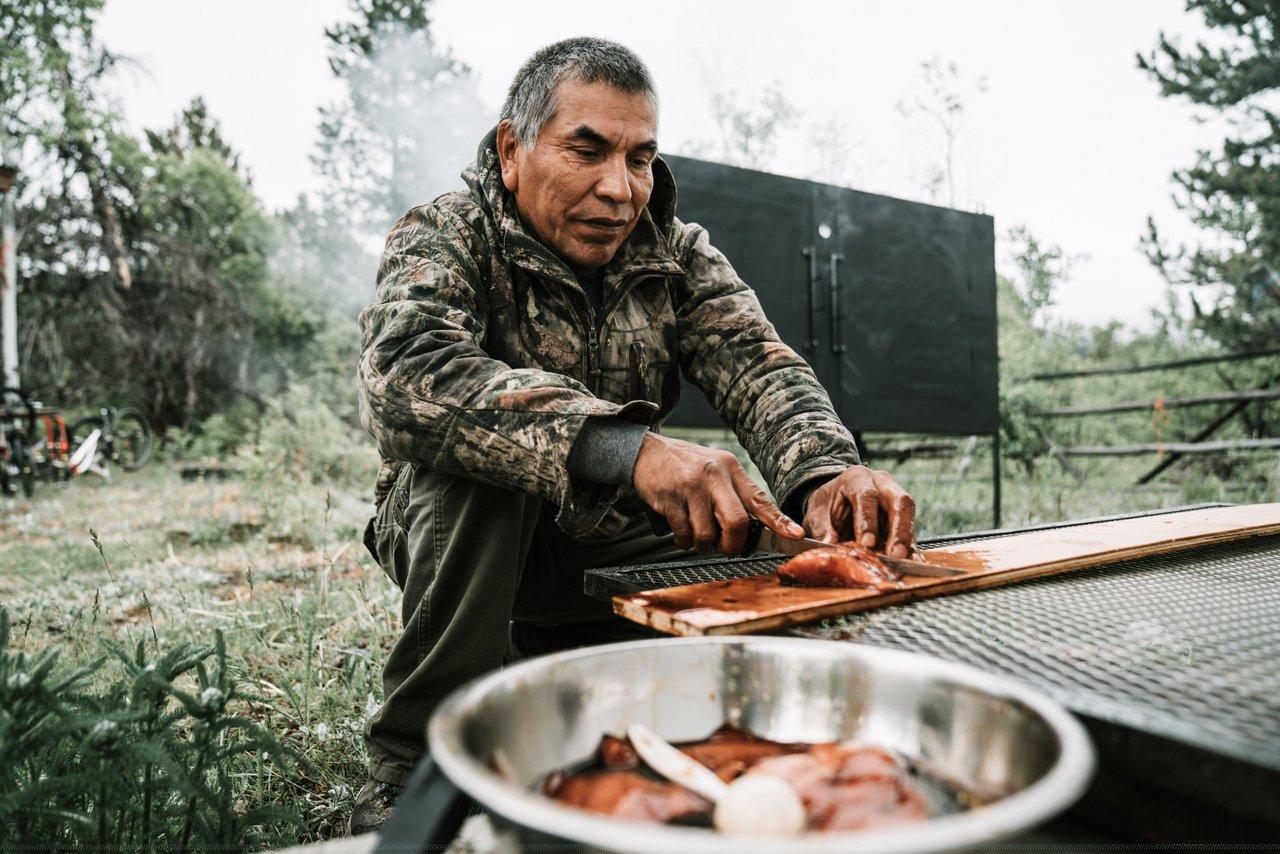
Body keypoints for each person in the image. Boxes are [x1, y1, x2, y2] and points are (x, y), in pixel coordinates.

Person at [350, 36, 916, 833]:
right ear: (512, 151)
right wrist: (629, 450)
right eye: (587, 152)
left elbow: (759, 367)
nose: (619, 189)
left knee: (780, 542)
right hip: (465, 539)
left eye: (640, 159)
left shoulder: (677, 254)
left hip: (609, 537)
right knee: (476, 471)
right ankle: (415, 765)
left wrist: (827, 473)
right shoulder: (446, 232)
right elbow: (408, 374)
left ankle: (741, 722)